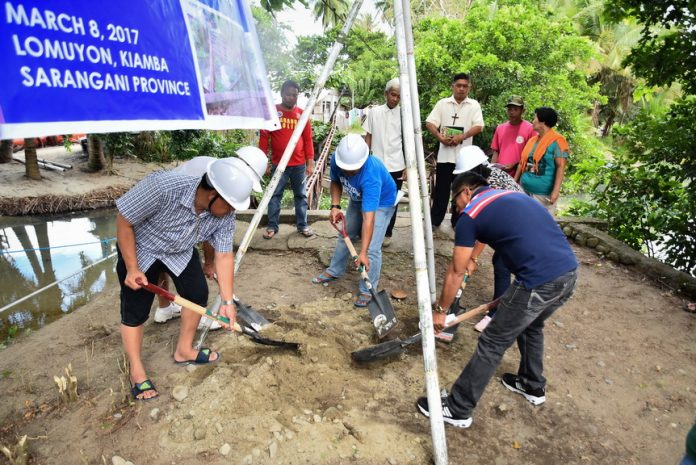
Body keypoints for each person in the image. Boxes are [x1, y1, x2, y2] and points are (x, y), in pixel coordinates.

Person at [416, 172, 577, 428]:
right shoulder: (511, 195)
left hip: (538, 281)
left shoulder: (472, 212)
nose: (456, 209)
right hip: (568, 273)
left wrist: (440, 311)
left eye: (455, 202)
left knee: (492, 341)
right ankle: (532, 385)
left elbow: (456, 271)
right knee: (532, 326)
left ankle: (458, 408)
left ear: (466, 192)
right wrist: (516, 294)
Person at [116, 155, 265, 401]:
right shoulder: (163, 187)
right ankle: (136, 371)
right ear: (212, 194)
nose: (230, 212)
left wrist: (227, 302)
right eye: (228, 205)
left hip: (180, 250)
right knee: (135, 309)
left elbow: (224, 256)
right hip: (144, 247)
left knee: (196, 294)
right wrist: (132, 267)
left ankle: (184, 350)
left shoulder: (224, 214)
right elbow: (124, 220)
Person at [153, 149, 267, 331]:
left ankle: (165, 308)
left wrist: (210, 262)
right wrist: (209, 263)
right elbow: (208, 225)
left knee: (161, 261)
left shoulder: (217, 169)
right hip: (168, 223)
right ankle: (195, 318)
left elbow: (208, 226)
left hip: (163, 225)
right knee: (192, 283)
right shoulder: (215, 180)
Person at [311, 134, 397, 308]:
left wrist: (362, 252)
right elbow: (335, 181)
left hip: (382, 202)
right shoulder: (337, 159)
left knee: (372, 248)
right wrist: (334, 206)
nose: (349, 173)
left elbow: (368, 219)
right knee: (345, 234)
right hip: (357, 197)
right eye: (346, 169)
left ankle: (367, 288)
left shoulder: (371, 175)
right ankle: (335, 270)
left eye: (353, 170)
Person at [449, 146, 523, 332]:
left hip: (518, 226)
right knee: (501, 262)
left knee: (502, 263)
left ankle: (496, 315)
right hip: (513, 223)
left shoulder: (489, 184)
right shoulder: (490, 176)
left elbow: (487, 225)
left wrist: (473, 258)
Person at [425, 72, 484, 230]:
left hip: (464, 160)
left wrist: (462, 136)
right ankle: (434, 222)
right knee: (441, 192)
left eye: (465, 86)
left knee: (462, 193)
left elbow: (479, 126)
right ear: (453, 86)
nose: (461, 89)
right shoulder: (443, 103)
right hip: (445, 157)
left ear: (469, 87)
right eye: (459, 85)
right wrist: (439, 137)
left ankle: (458, 223)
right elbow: (430, 122)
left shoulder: (474, 105)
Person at [259, 79, 315, 239]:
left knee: (301, 195)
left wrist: (310, 161)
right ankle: (272, 226)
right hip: (279, 164)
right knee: (274, 195)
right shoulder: (272, 112)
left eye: (295, 95)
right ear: (282, 94)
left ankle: (302, 225)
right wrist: (264, 162)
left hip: (298, 165)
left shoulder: (302, 114)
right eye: (288, 94)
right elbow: (264, 138)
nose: (291, 97)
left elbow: (308, 139)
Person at [363, 78, 405, 248]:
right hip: (376, 164)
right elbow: (368, 136)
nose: (395, 99)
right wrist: (365, 160)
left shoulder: (404, 114)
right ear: (386, 94)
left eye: (398, 96)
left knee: (392, 200)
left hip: (397, 164)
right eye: (393, 95)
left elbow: (408, 141)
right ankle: (369, 230)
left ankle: (387, 232)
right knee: (373, 197)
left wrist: (409, 167)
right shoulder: (374, 112)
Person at [514, 106, 569, 215]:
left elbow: (560, 167)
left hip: (543, 193)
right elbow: (522, 162)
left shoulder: (558, 141)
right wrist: (515, 181)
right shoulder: (532, 140)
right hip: (524, 188)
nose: (532, 121)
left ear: (542, 121)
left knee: (540, 224)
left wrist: (556, 191)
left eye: (535, 118)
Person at [490, 95, 536, 176]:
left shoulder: (530, 129)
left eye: (515, 109)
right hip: (501, 174)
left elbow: (532, 156)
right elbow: (496, 151)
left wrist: (515, 165)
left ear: (523, 111)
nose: (512, 112)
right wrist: (491, 170)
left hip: (520, 175)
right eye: (509, 109)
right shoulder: (500, 128)